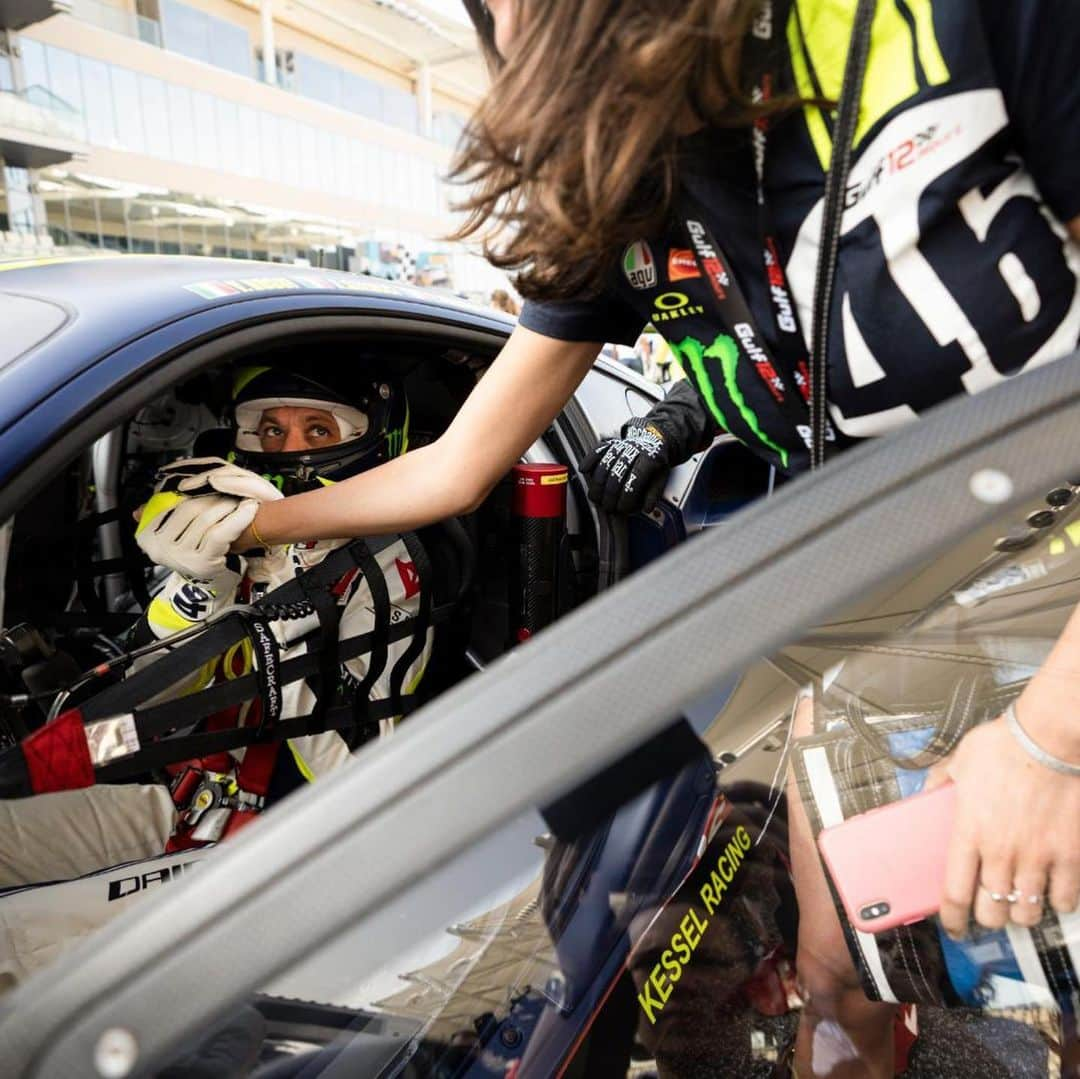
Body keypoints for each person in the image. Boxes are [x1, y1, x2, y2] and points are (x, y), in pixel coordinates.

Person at [137, 2, 1080, 1073]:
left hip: (1064, 612)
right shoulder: (628, 168)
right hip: (887, 615)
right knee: (836, 983)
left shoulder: (970, 21)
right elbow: (456, 466)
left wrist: (1053, 739)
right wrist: (248, 521)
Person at [0, 364, 429, 984]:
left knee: (15, 949)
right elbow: (141, 701)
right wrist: (205, 589)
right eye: (271, 431)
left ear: (375, 441)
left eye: (316, 429)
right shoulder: (234, 529)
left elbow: (352, 778)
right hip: (194, 801)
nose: (289, 450)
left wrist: (283, 597)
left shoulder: (386, 566)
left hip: (287, 854)